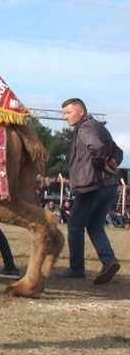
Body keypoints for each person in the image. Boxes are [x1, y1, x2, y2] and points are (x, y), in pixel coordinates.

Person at [61, 98, 121, 284]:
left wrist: (101, 164)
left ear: (80, 111)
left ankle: (77, 269)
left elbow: (97, 148)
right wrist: (110, 167)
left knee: (74, 226)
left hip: (92, 187)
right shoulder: (97, 126)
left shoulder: (86, 127)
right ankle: (109, 261)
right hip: (108, 186)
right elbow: (118, 152)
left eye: (68, 112)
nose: (66, 117)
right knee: (94, 226)